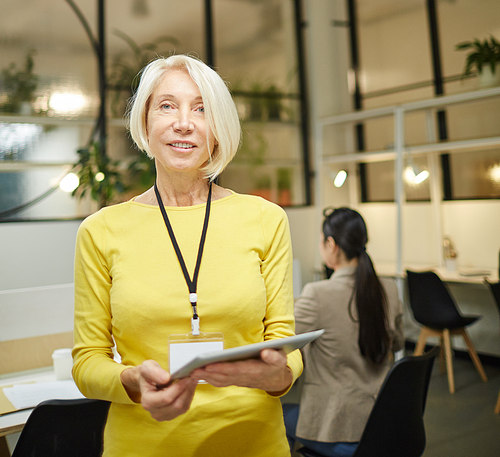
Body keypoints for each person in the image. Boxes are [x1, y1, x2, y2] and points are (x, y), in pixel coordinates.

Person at [72, 55, 303, 457]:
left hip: (253, 442)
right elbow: (88, 361)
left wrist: (278, 374)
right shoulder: (100, 230)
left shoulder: (265, 219)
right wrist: (130, 380)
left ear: (218, 129)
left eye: (201, 109)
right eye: (166, 106)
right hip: (143, 445)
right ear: (145, 122)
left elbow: (284, 342)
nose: (184, 122)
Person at [283, 207, 404, 457]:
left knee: (278, 415)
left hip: (337, 429)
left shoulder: (317, 294)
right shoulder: (389, 289)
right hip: (384, 425)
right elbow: (398, 343)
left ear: (331, 244)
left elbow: (281, 343)